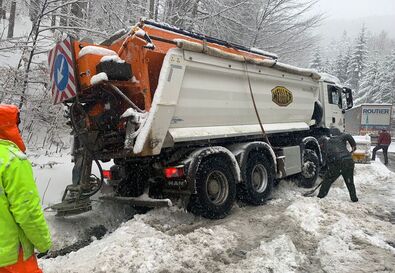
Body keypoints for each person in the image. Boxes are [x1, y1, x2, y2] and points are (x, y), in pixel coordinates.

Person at [0, 104, 51, 273]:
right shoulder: (12, 160)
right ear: (9, 126)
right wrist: (43, 243)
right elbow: (27, 211)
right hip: (11, 256)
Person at [317, 128, 358, 202]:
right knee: (350, 182)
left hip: (338, 163)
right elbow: (348, 135)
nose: (320, 146)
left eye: (320, 145)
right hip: (349, 162)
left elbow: (327, 159)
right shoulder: (341, 138)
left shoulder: (326, 142)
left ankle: (320, 197)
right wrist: (353, 146)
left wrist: (328, 170)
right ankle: (354, 199)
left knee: (327, 180)